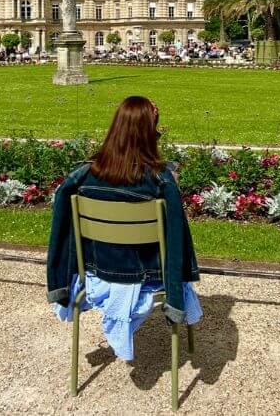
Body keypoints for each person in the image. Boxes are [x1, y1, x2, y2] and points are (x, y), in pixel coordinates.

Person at [47, 96, 201, 362]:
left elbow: (61, 232)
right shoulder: (161, 181)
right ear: (150, 134)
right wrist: (175, 294)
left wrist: (59, 279)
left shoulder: (83, 175)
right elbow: (178, 241)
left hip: (96, 271)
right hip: (148, 276)